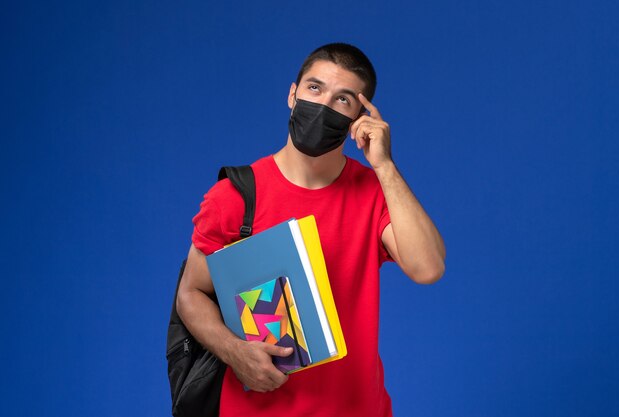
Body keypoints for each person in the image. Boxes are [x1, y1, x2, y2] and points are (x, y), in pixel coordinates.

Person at [177, 43, 446, 417]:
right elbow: (190, 293)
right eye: (314, 88)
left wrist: (384, 167)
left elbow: (428, 267)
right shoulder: (237, 195)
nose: (322, 106)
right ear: (293, 94)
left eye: (343, 100)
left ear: (359, 117)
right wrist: (235, 351)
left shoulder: (372, 192)